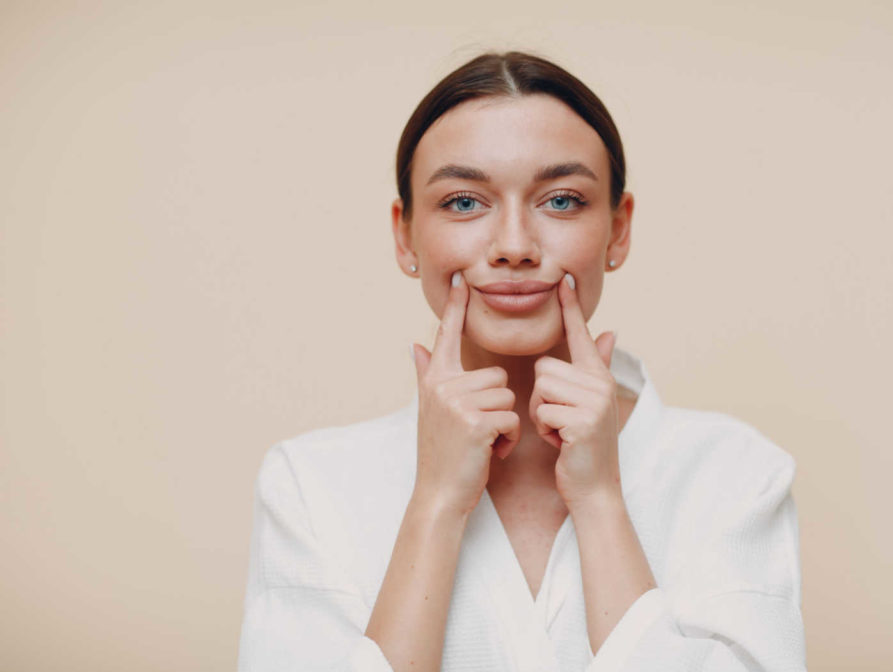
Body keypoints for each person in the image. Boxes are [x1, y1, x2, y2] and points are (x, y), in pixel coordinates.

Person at [238, 51, 806, 672]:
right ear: (405, 236)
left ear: (618, 229)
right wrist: (434, 502)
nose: (513, 246)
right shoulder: (308, 486)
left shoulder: (736, 474)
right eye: (462, 202)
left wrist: (600, 502)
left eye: (561, 201)